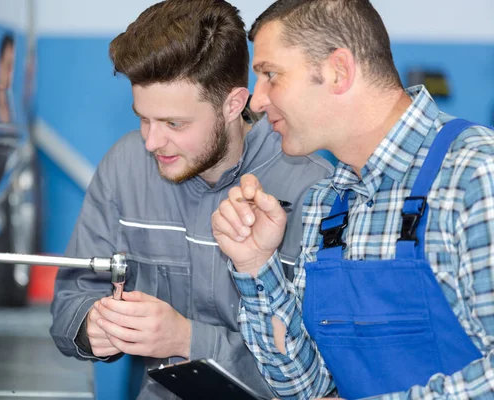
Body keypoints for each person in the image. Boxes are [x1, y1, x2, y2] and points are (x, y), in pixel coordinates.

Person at [212, 0, 494, 399]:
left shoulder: (475, 174)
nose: (257, 101)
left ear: (338, 71)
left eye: (271, 75)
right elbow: (305, 388)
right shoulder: (326, 205)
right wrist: (256, 264)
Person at [49, 0, 332, 398]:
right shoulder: (124, 167)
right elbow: (68, 304)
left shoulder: (316, 191)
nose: (151, 141)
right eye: (143, 118)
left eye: (173, 124)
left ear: (234, 104)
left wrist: (186, 338)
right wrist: (90, 324)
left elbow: (322, 376)